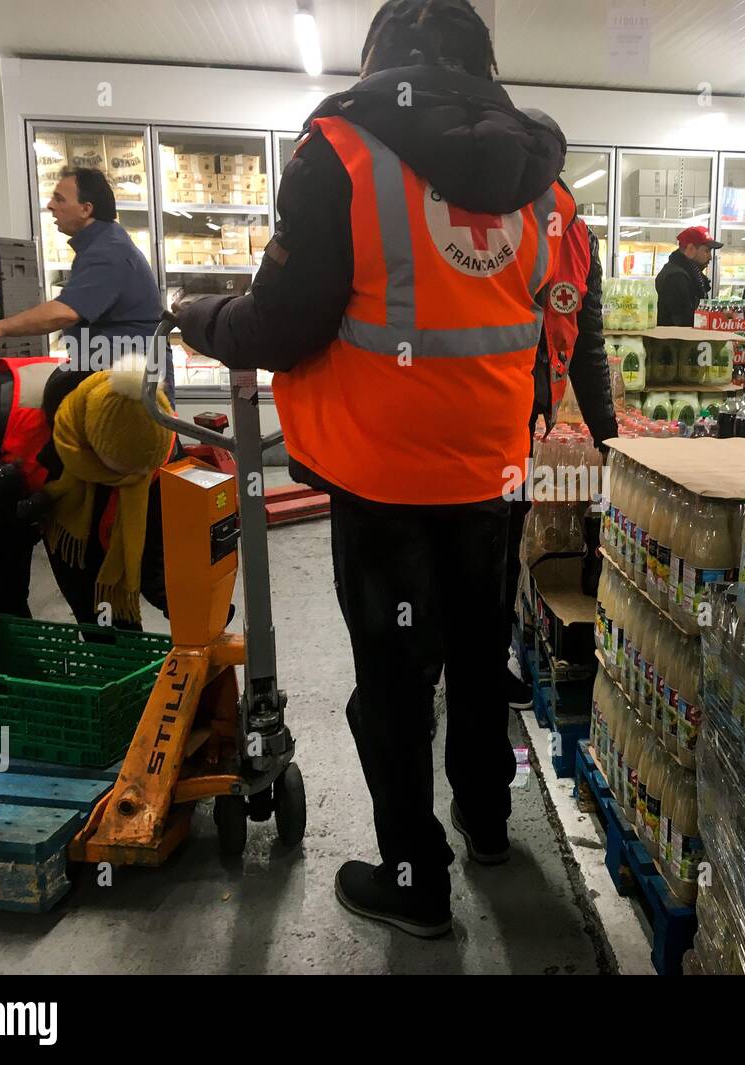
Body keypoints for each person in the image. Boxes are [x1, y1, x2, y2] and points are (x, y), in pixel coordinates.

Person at [175, 0, 572, 938]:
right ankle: (486, 820)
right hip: (493, 471)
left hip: (384, 474)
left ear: (380, 60)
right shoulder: (541, 177)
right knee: (479, 656)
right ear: (482, 66)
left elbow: (280, 323)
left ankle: (415, 881)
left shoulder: (342, 151)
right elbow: (541, 316)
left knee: (395, 685)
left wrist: (195, 315)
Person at [0, 358, 174, 628]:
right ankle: (5, 649)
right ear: (90, 447)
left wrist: (177, 603)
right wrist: (2, 513)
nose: (130, 481)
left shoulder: (155, 435)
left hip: (63, 493)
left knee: (97, 592)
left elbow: (152, 541)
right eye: (118, 475)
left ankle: (115, 650)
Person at [503, 111, 617, 711]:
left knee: (499, 541)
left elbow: (585, 341)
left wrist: (608, 436)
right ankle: (461, 664)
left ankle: (479, 665)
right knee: (476, 543)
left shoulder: (574, 234)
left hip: (517, 420)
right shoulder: (487, 219)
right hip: (475, 414)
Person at [0, 167, 167, 390]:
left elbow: (65, 312)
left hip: (128, 382)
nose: (50, 205)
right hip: (115, 371)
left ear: (86, 209)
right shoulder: (101, 243)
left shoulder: (108, 251)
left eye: (59, 199)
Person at [655, 225, 722, 326]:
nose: (710, 257)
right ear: (690, 249)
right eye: (707, 251)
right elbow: (683, 320)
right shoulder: (676, 277)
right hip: (676, 336)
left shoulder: (691, 274)